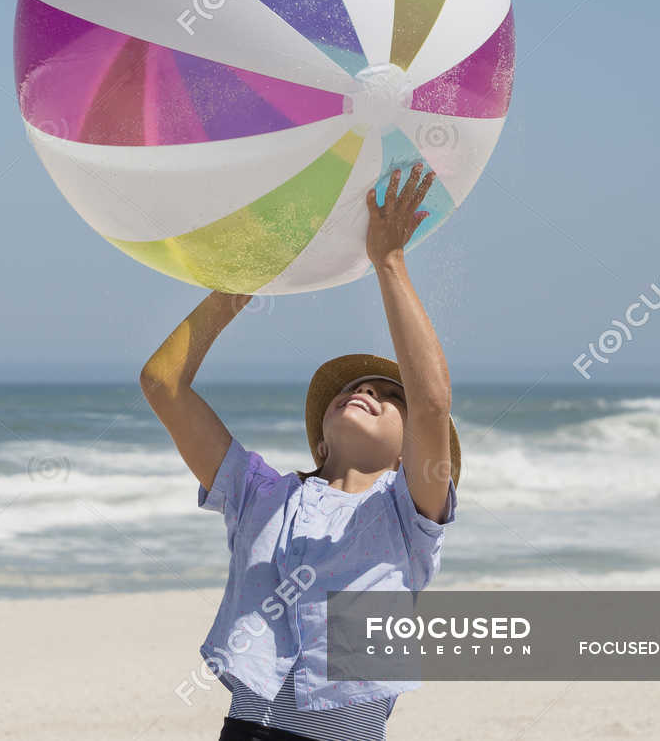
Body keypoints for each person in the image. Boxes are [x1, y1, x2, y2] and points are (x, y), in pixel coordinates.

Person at [139, 163, 460, 741]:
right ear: (319, 440)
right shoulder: (258, 492)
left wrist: (389, 261)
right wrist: (241, 286)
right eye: (353, 389)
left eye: (390, 397)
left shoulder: (408, 512)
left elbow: (433, 403)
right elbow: (164, 385)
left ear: (405, 453)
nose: (366, 391)